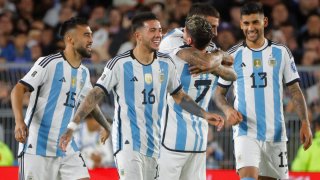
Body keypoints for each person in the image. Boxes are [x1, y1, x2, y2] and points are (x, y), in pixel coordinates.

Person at [59, 12, 224, 180]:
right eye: (152, 30)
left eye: (160, 30)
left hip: (155, 145)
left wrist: (205, 114)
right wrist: (72, 126)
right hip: (128, 142)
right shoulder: (119, 64)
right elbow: (95, 94)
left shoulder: (166, 63)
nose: (158, 35)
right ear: (138, 35)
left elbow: (180, 96)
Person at [214, 2, 313, 180]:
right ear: (241, 24)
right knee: (249, 177)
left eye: (255, 22)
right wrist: (228, 110)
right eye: (246, 23)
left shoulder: (281, 52)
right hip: (245, 131)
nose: (250, 28)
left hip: (275, 133)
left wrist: (304, 122)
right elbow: (218, 93)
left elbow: (295, 90)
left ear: (264, 22)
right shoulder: (233, 55)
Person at [11, 17, 111, 180]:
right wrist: (19, 121)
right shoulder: (48, 63)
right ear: (70, 39)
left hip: (65, 146)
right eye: (86, 35)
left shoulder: (83, 72)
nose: (91, 40)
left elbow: (90, 102)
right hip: (37, 146)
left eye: (91, 35)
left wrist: (106, 126)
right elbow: (18, 89)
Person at [158, 15, 236, 180]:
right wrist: (215, 63)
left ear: (189, 39)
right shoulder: (214, 57)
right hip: (199, 139)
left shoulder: (174, 52)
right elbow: (232, 73)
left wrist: (210, 65)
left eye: (184, 31)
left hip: (171, 140)